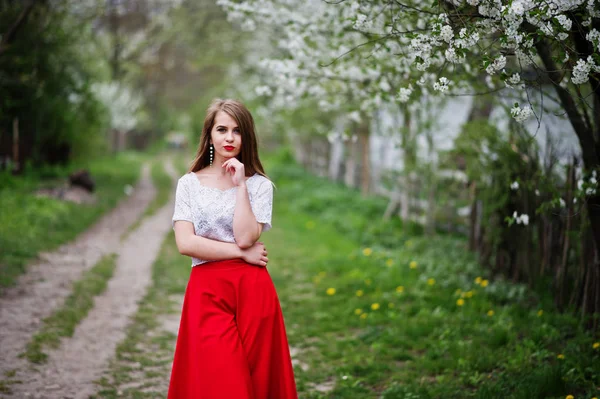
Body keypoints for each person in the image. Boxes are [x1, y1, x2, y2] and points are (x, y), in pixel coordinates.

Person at [167, 99, 298, 399]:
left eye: (237, 131)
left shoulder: (259, 186)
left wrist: (241, 186)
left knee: (258, 381)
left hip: (253, 293)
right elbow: (186, 243)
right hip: (207, 292)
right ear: (209, 135)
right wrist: (241, 255)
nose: (229, 138)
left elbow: (245, 236)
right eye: (222, 129)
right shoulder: (188, 184)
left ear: (246, 137)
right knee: (225, 383)